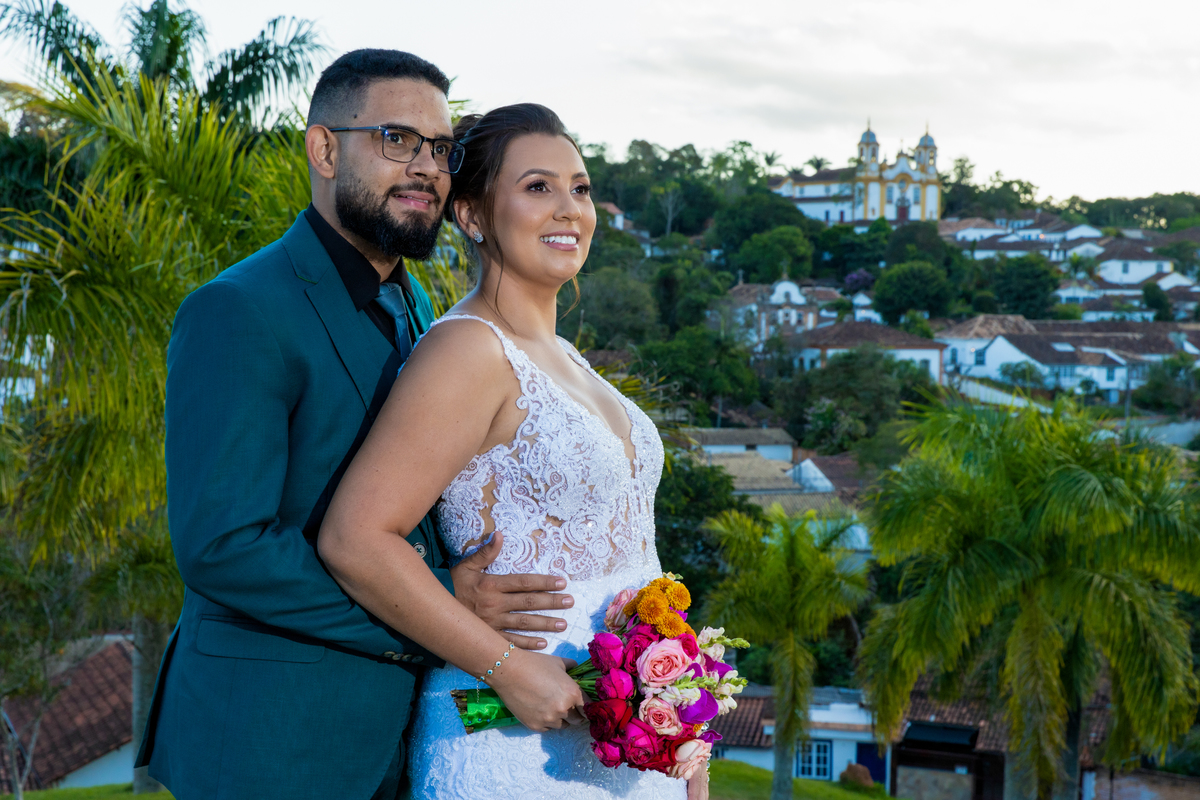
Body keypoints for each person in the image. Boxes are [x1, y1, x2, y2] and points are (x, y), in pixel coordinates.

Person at [137, 51, 582, 800]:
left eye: (441, 148)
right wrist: (438, 604)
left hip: (406, 740)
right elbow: (224, 547)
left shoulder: (420, 310)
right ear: (324, 149)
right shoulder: (239, 309)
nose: (427, 168)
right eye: (396, 139)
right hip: (271, 738)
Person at [318, 104, 706, 799]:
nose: (569, 209)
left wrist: (683, 728)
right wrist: (507, 667)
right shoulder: (467, 350)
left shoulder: (568, 357)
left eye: (580, 188)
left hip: (631, 752)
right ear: (472, 216)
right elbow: (355, 539)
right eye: (537, 187)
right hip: (509, 740)